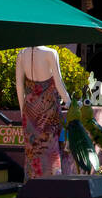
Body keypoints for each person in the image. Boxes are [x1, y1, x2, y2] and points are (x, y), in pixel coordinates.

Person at [14, 45, 75, 176]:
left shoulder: (21, 54)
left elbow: (19, 85)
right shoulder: (51, 53)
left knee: (33, 151)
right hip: (49, 109)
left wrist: (22, 112)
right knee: (51, 148)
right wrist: (70, 103)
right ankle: (55, 185)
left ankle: (33, 186)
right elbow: (59, 83)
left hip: (29, 111)